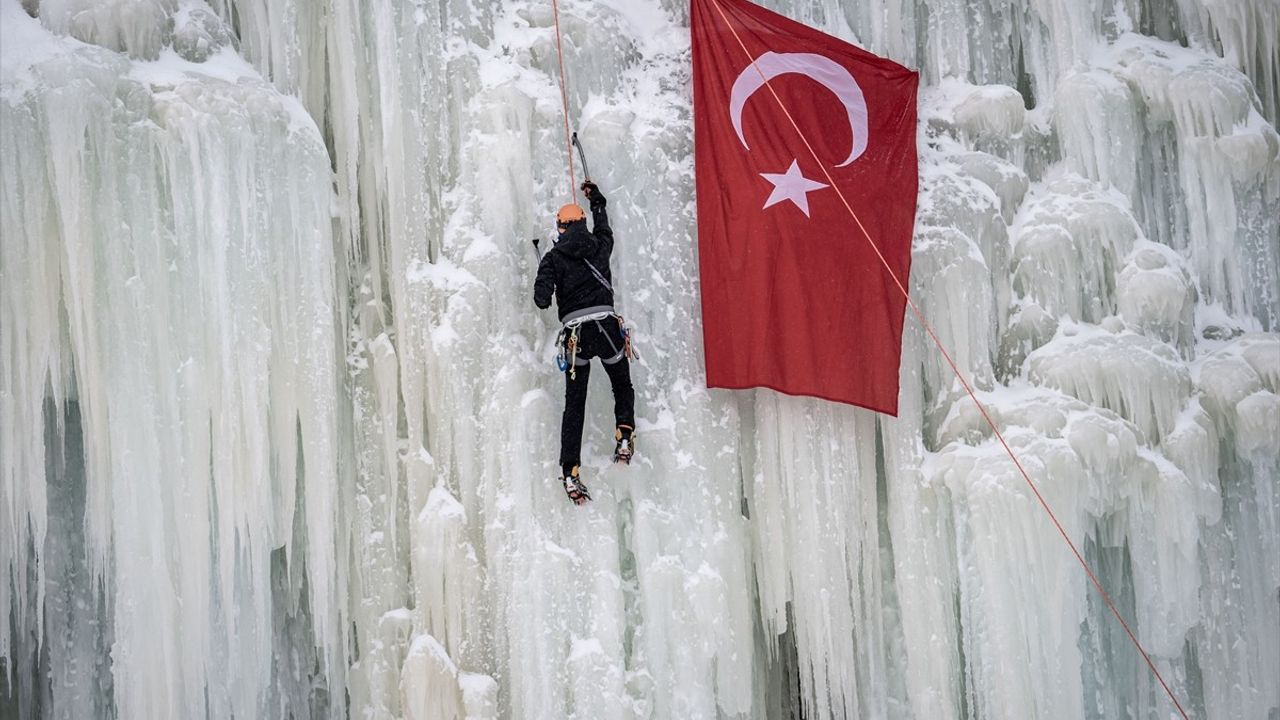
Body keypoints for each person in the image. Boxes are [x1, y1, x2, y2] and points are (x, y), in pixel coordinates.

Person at [534, 181, 635, 505]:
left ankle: (570, 469)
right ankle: (624, 435)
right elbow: (605, 227)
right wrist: (598, 200)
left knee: (574, 405)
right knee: (621, 383)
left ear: (561, 228)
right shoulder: (599, 246)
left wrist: (546, 274)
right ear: (582, 223)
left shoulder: (552, 257)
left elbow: (541, 300)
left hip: (576, 335)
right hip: (606, 328)